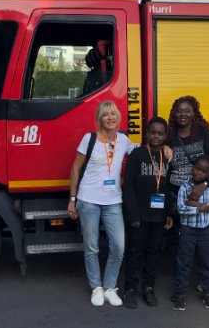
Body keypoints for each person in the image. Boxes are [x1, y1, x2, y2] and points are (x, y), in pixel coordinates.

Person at [68, 101, 135, 307]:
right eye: (105, 114)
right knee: (92, 247)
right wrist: (72, 200)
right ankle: (96, 287)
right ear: (99, 118)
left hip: (113, 201)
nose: (110, 117)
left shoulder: (124, 140)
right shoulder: (89, 139)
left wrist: (165, 148)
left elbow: (143, 152)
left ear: (118, 117)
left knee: (118, 246)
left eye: (113, 114)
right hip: (88, 200)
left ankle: (110, 287)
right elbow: (75, 169)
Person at [165, 95, 209, 304]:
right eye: (179, 110)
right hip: (175, 194)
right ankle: (181, 288)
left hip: (201, 191)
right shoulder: (170, 136)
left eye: (187, 110)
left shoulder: (203, 133)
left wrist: (203, 186)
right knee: (181, 246)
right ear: (174, 113)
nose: (183, 114)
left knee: (208, 246)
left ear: (194, 113)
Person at [122, 117, 174, 309]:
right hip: (140, 216)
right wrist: (133, 215)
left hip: (159, 217)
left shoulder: (166, 156)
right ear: (146, 133)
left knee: (153, 253)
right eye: (153, 132)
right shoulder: (137, 155)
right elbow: (128, 186)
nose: (156, 136)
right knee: (135, 252)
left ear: (165, 136)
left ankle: (148, 288)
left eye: (160, 134)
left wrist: (168, 212)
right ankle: (130, 289)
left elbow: (167, 187)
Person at [172, 155, 209, 311]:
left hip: (206, 231)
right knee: (183, 263)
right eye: (196, 169)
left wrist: (194, 204)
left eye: (202, 171)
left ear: (207, 174)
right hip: (188, 231)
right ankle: (180, 294)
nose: (198, 172)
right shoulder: (184, 187)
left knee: (207, 262)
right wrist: (202, 208)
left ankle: (207, 293)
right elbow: (181, 208)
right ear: (192, 168)